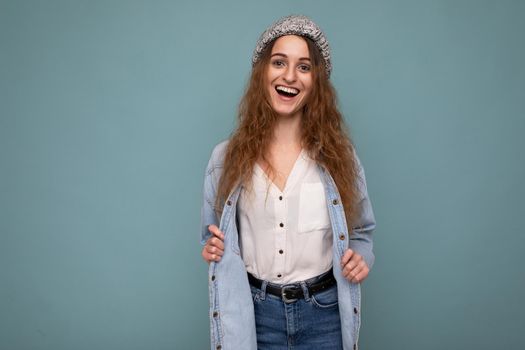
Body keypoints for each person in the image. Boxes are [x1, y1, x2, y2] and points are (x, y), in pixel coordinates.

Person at [200, 15, 375, 350]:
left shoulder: (341, 157)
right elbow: (211, 236)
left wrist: (361, 257)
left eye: (304, 67)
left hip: (324, 315)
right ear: (262, 73)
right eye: (279, 62)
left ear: (316, 81)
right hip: (255, 314)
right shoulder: (224, 159)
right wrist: (211, 248)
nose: (290, 76)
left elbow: (362, 233)